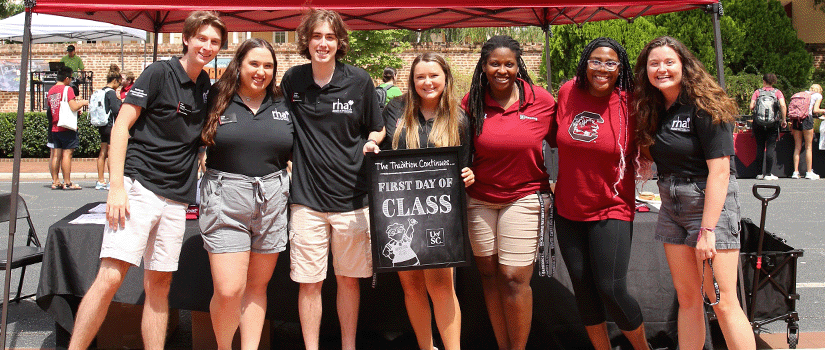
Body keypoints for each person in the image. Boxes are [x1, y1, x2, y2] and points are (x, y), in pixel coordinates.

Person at [67, 11, 226, 350]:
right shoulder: (159, 73)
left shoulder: (204, 87)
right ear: (186, 38)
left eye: (215, 42)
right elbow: (121, 127)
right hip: (140, 188)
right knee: (110, 278)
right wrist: (117, 187)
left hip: (177, 197)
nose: (207, 46)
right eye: (202, 38)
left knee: (159, 286)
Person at [634, 36, 755, 350]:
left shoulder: (704, 103)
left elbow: (720, 171)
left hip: (708, 202)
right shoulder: (654, 107)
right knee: (688, 298)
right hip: (670, 200)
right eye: (654, 63)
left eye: (669, 62)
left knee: (721, 300)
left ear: (684, 65)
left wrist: (708, 230)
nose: (662, 69)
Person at [279, 9, 384, 350]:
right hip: (306, 201)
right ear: (306, 42)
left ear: (340, 43)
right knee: (309, 284)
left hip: (353, 199)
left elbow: (378, 126)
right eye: (316, 37)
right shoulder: (292, 81)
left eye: (329, 37)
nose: (322, 43)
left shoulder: (359, 81)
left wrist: (373, 141)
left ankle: (348, 345)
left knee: (348, 282)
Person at [549, 37, 649, 350]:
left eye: (610, 63)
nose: (602, 68)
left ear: (621, 69)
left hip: (612, 207)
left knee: (611, 288)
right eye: (595, 61)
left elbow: (651, 145)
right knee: (584, 288)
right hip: (568, 208)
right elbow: (552, 136)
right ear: (585, 64)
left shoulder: (631, 102)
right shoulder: (568, 92)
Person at [462, 35, 555, 350]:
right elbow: (458, 148)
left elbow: (566, 142)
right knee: (488, 276)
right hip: (480, 199)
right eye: (494, 64)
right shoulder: (471, 102)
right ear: (484, 66)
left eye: (508, 64)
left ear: (519, 66)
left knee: (514, 278)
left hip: (523, 197)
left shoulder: (541, 101)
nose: (501, 70)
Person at [199, 38, 292, 350]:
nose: (261, 71)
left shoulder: (283, 101)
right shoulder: (216, 97)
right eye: (254, 64)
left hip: (273, 197)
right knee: (228, 289)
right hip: (226, 196)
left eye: (268, 66)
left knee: (256, 286)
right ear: (239, 65)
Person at [382, 53, 474, 350]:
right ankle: (426, 347)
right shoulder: (394, 110)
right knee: (411, 286)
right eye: (420, 76)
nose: (427, 82)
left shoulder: (459, 118)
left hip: (440, 216)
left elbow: (464, 164)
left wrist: (469, 173)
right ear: (412, 80)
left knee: (441, 286)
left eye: (434, 75)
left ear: (445, 78)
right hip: (399, 211)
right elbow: (381, 155)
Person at [47, 66, 88, 190]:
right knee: (67, 155)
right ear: (66, 78)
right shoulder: (67, 89)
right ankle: (68, 182)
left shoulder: (51, 90)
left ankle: (55, 181)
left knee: (56, 155)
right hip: (67, 127)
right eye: (70, 78)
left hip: (55, 126)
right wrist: (83, 103)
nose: (71, 80)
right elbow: (74, 107)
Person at [749, 73, 786, 180]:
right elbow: (783, 105)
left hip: (758, 123)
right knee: (770, 147)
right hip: (772, 123)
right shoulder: (777, 92)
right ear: (773, 81)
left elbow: (751, 106)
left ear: (763, 81)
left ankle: (759, 173)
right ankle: (769, 174)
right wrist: (783, 119)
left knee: (760, 147)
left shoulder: (757, 92)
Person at [95, 64, 123, 190]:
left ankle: (100, 180)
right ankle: (112, 180)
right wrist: (119, 101)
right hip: (111, 125)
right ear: (115, 81)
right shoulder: (111, 93)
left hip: (102, 124)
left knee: (103, 152)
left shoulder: (102, 91)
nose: (119, 86)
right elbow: (116, 109)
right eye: (119, 83)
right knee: (111, 153)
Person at [790, 84, 823, 179]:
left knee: (797, 147)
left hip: (796, 119)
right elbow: (816, 110)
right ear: (819, 90)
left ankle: (795, 172)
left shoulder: (802, 94)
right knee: (808, 147)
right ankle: (809, 172)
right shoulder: (818, 96)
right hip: (807, 119)